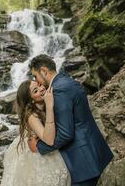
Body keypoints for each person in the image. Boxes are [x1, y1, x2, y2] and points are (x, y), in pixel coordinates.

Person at [28, 54, 114, 186]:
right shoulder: (67, 81)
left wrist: (38, 147)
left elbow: (65, 134)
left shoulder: (59, 90)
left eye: (36, 76)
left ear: (44, 71)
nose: (37, 81)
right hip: (94, 151)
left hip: (83, 162)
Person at [0, 80, 71, 186]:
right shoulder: (31, 116)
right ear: (31, 100)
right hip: (36, 154)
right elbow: (49, 140)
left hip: (42, 147)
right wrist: (49, 106)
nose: (42, 89)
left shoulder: (50, 97)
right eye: (35, 91)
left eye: (39, 85)